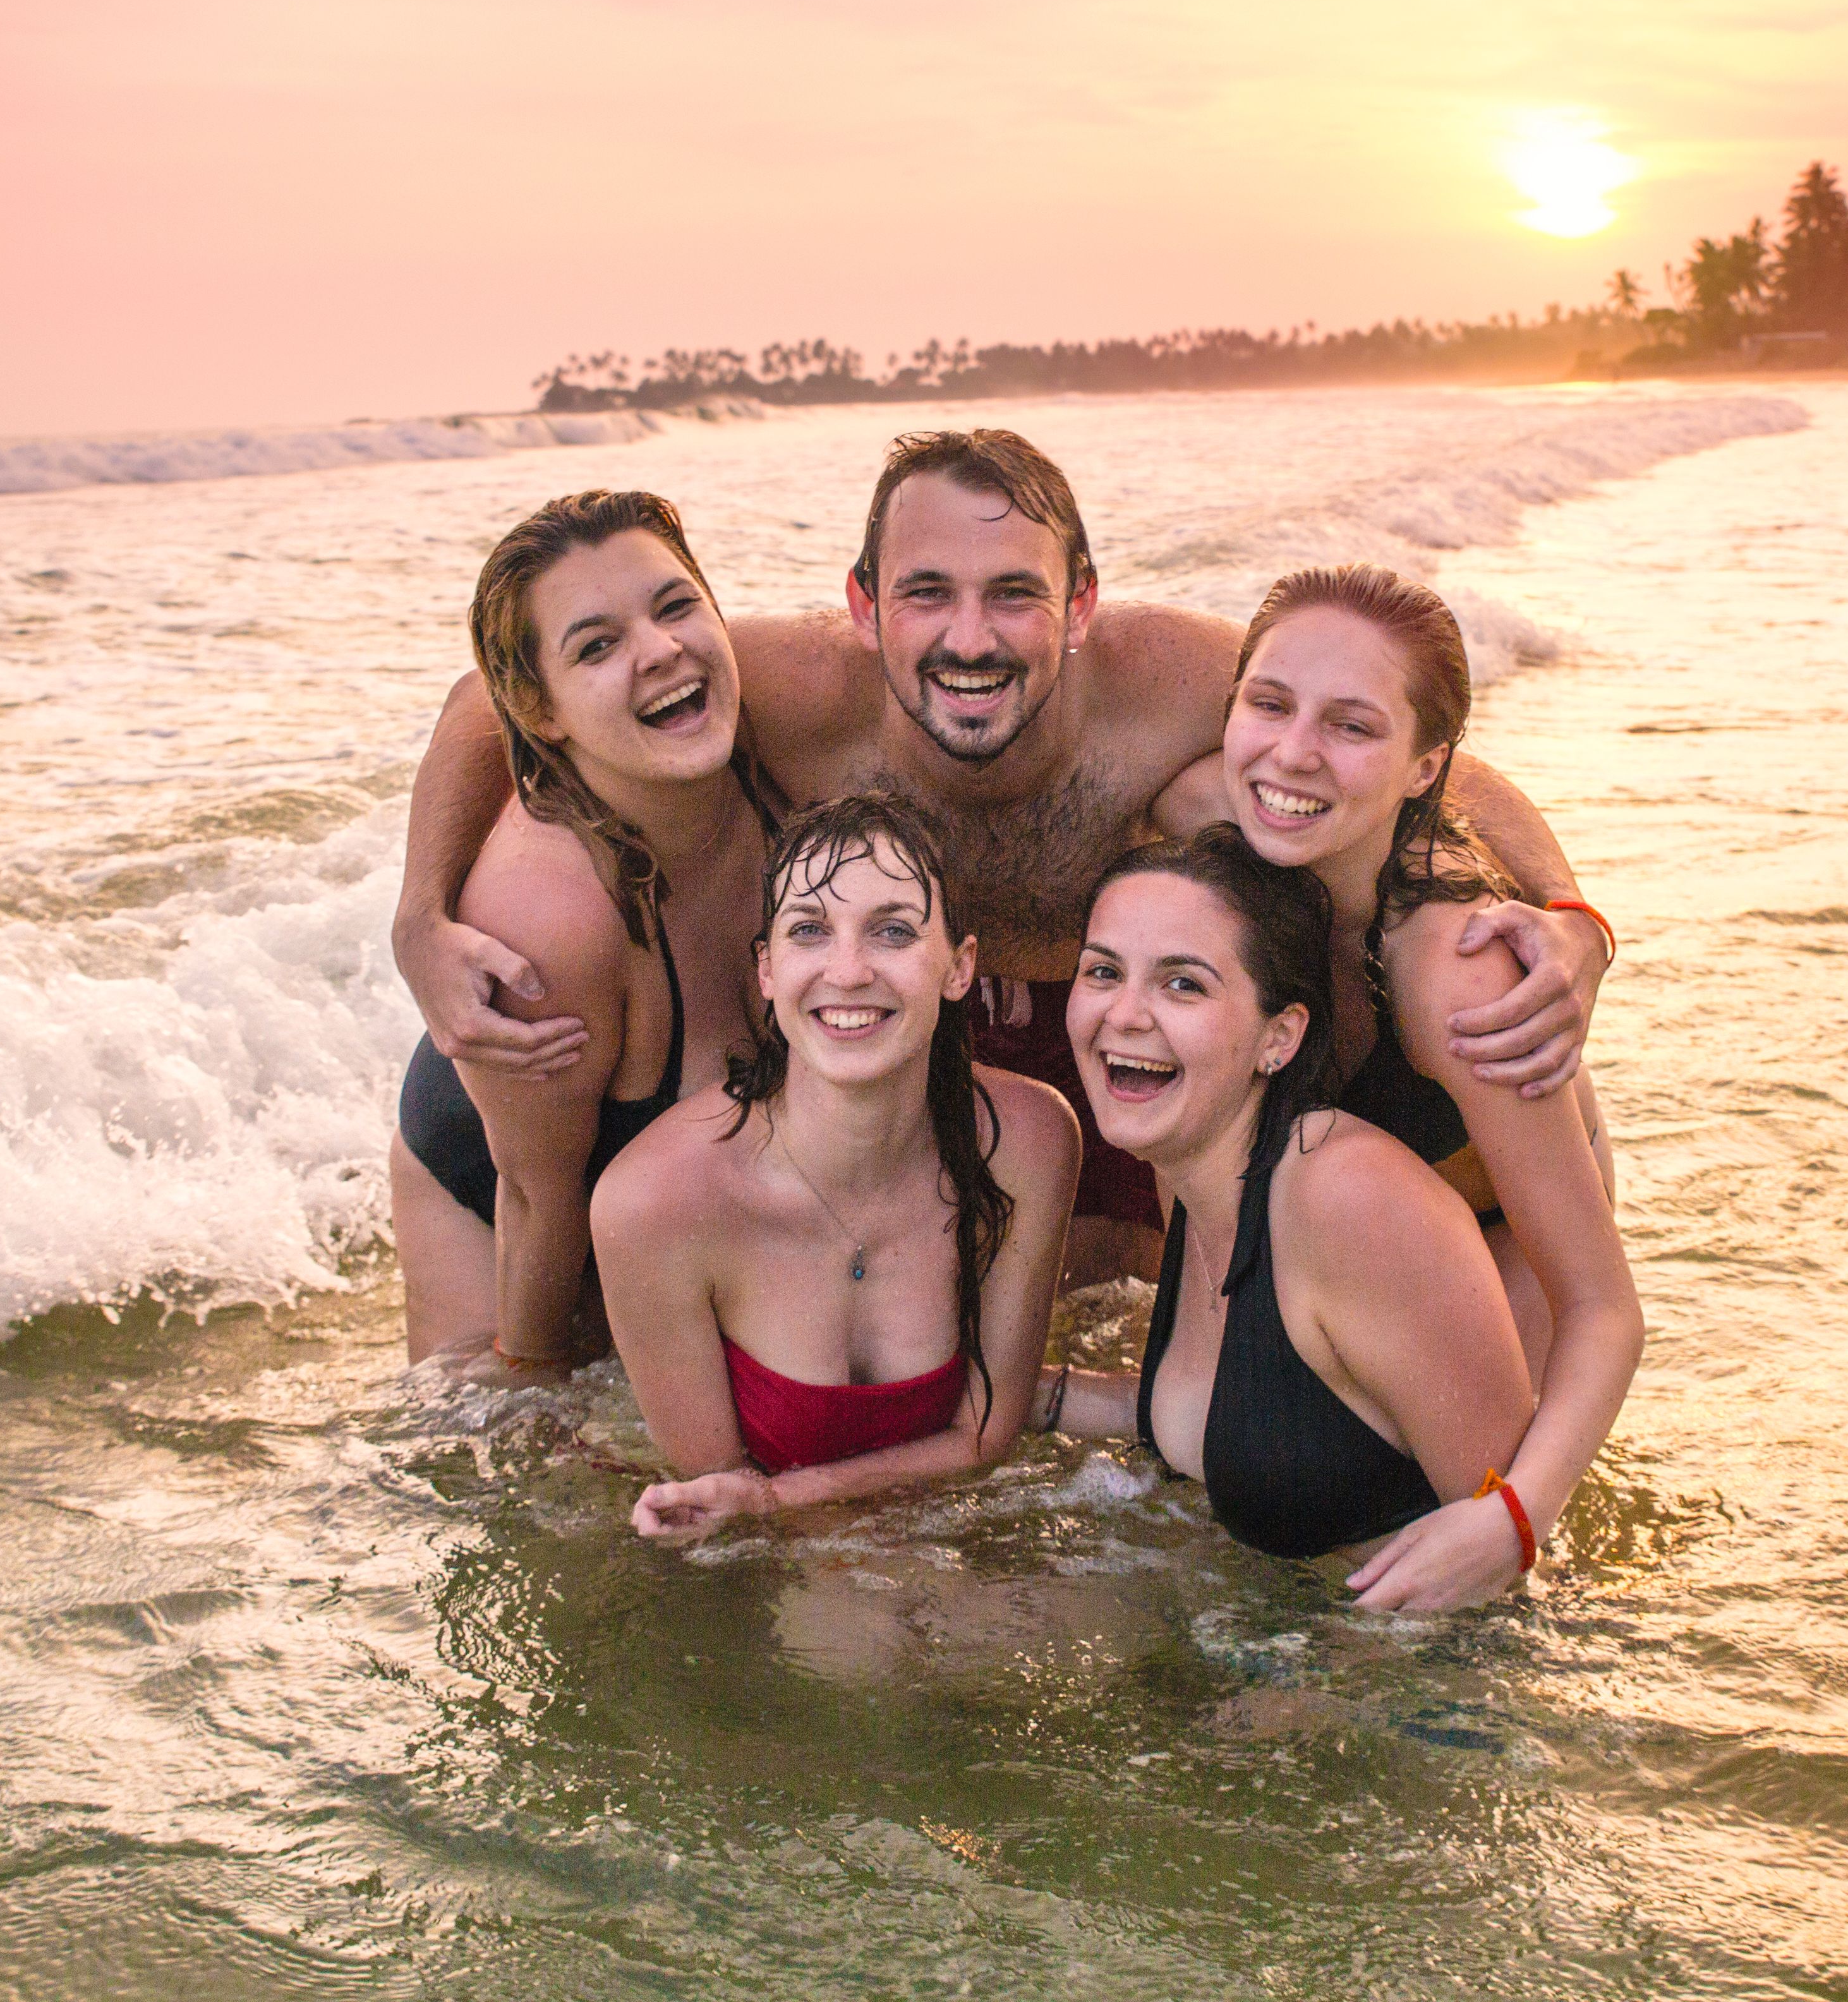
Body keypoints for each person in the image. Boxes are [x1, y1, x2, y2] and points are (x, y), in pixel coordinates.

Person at [394, 429, 1621, 1282]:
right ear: (865, 607)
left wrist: (1571, 916)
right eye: (927, 594)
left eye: (1015, 596)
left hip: (1115, 1033)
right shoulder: (790, 686)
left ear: (1082, 606)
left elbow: (1445, 782)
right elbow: (486, 697)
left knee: (1227, 807)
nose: (970, 638)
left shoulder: (1175, 682)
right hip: (927, 1037)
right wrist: (419, 917)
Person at [1156, 563, 1645, 1610]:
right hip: (1341, 1206)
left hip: (1495, 1211)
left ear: (1427, 767)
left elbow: (1605, 1306)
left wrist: (1520, 1518)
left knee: (1463, 1562)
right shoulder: (1199, 817)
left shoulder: (1450, 971)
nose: (1291, 754)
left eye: (1352, 727)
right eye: (1269, 704)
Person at [1048, 830, 1535, 1605]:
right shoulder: (1194, 1180)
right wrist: (1027, 1398)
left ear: (1279, 1037)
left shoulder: (1348, 1198)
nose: (1125, 1014)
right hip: (1299, 1661)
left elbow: (1514, 1564)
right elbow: (1260, 1412)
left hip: (1422, 1699)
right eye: (1104, 972)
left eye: (1184, 986)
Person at [595, 792, 1078, 1533]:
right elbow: (724, 1505)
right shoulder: (654, 1204)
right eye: (810, 932)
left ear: (959, 967)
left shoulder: (1028, 1143)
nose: (848, 972)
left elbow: (984, 1435)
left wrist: (782, 1497)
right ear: (766, 969)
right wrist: (770, 1507)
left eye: (891, 932)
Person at [387, 489, 776, 1370]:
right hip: (496, 1180)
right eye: (596, 646)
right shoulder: (545, 924)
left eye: (676, 606)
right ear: (542, 711)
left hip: (647, 1187)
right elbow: (535, 1196)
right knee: (484, 1427)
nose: (660, 651)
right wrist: (530, 1379)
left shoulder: (780, 728)